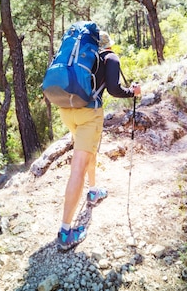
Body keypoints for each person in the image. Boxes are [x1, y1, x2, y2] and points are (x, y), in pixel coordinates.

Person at [57, 30, 141, 251]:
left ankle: (93, 190)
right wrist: (133, 92)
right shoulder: (110, 57)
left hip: (67, 110)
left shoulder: (80, 57)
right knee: (79, 166)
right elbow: (114, 90)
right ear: (108, 44)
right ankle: (66, 232)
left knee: (89, 151)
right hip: (88, 114)